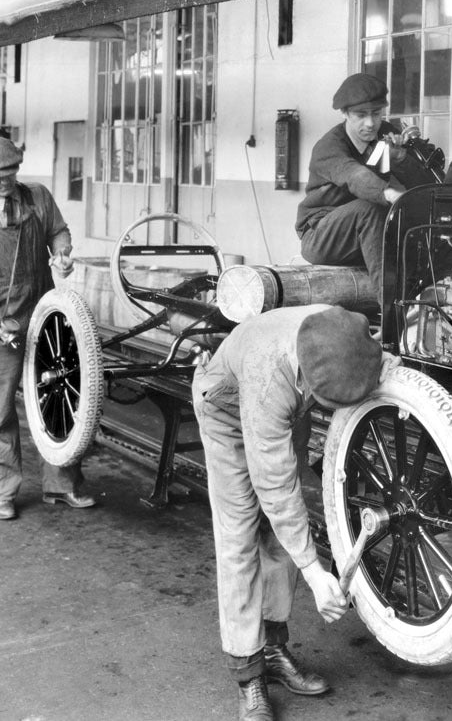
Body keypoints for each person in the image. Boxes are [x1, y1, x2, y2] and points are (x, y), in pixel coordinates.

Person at [191, 304, 395, 721]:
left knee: (281, 534)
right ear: (306, 379)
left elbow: (383, 364)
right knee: (241, 535)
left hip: (288, 409)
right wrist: (316, 572)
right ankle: (248, 676)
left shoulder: (341, 330)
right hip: (226, 409)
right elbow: (275, 489)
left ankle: (272, 648)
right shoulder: (271, 378)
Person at [0, 135, 96, 520]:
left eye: (11, 174)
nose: (6, 183)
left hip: (44, 316)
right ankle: (0, 491)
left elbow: (59, 230)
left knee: (58, 401)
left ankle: (62, 484)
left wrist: (61, 254)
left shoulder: (38, 197)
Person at [295, 73, 420, 296]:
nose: (370, 123)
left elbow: (419, 180)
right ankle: (391, 308)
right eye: (361, 115)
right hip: (320, 233)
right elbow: (355, 176)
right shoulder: (329, 147)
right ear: (345, 114)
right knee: (370, 210)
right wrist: (390, 195)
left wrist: (400, 158)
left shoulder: (385, 134)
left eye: (376, 114)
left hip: (364, 233)